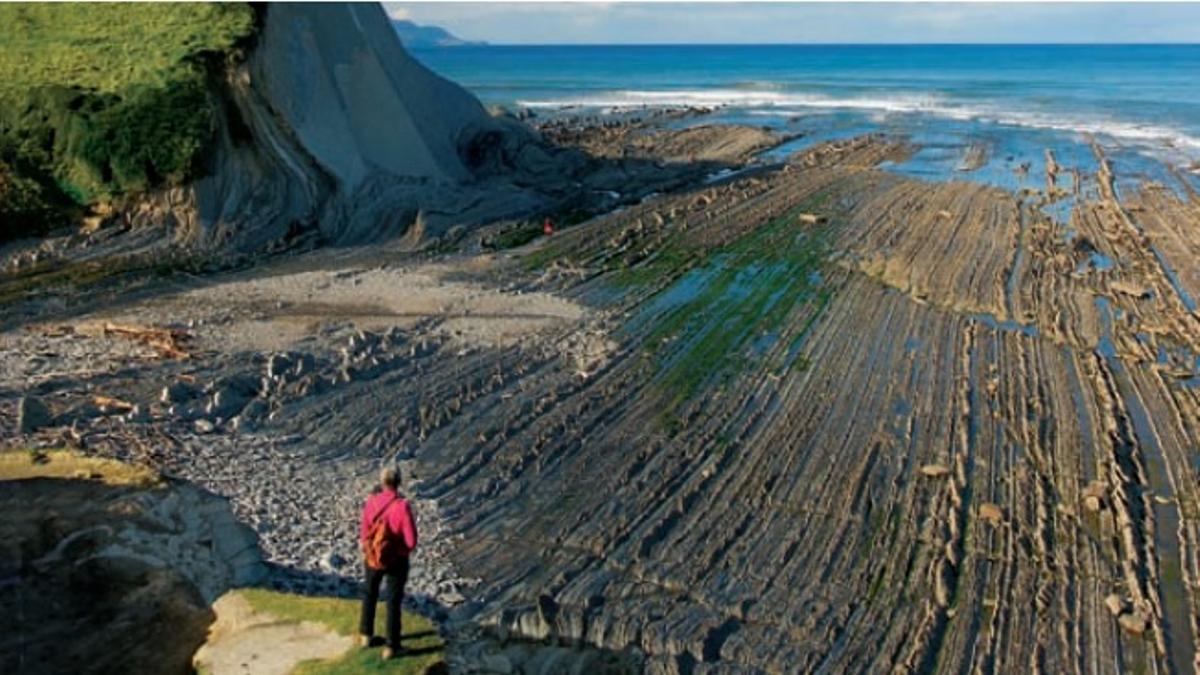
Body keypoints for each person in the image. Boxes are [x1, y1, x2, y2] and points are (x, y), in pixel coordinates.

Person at [358, 467, 418, 660]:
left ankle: (366, 634)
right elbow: (411, 541)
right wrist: (399, 550)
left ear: (382, 482)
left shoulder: (371, 502)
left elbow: (364, 532)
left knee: (370, 592)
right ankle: (392, 646)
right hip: (395, 560)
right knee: (393, 600)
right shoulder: (402, 506)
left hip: (372, 556)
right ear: (398, 482)